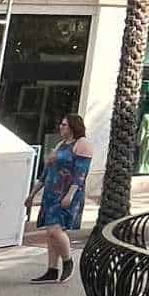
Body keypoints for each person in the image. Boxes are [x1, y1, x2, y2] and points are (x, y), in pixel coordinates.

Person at [25, 112, 93, 283]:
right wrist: (33, 193)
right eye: (61, 124)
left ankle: (68, 260)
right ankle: (52, 269)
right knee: (50, 232)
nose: (61, 127)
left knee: (54, 229)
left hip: (66, 192)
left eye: (64, 125)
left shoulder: (82, 144)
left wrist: (70, 194)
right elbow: (47, 172)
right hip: (51, 192)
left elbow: (80, 173)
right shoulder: (61, 144)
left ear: (72, 127)